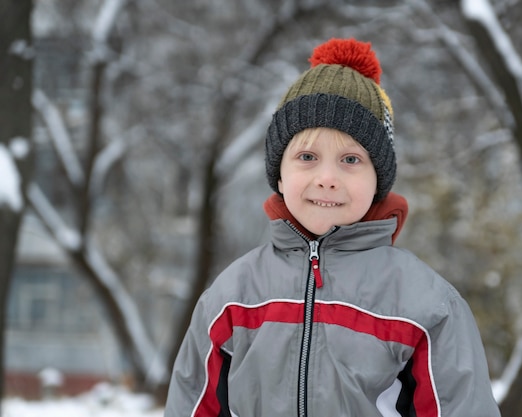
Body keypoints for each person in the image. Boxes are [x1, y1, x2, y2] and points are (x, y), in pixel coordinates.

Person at [165, 38, 501, 417]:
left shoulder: (426, 305)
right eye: (307, 157)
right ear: (278, 174)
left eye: (351, 159)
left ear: (379, 180)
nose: (327, 177)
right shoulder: (231, 297)